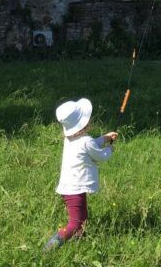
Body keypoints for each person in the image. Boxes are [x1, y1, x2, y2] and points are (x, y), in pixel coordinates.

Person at [44, 98, 118, 251]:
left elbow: (89, 145)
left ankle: (79, 244)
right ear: (83, 123)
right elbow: (100, 156)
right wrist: (110, 149)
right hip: (75, 189)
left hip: (71, 187)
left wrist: (104, 138)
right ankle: (50, 247)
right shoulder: (86, 141)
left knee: (82, 219)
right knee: (75, 223)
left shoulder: (72, 139)